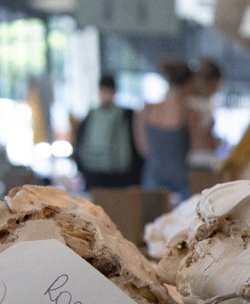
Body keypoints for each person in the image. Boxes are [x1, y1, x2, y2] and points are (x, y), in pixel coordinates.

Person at [135, 59, 194, 202]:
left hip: (153, 175)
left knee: (151, 215)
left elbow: (143, 149)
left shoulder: (147, 110)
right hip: (181, 178)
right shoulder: (188, 112)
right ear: (188, 83)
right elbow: (196, 148)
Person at [74, 75, 142, 189]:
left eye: (107, 91)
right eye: (103, 91)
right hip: (95, 172)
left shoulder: (126, 114)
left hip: (119, 174)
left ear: (113, 92)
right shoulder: (92, 115)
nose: (105, 95)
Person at [186, 58, 223, 170]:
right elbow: (201, 137)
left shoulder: (197, 103)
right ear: (213, 82)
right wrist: (220, 154)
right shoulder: (195, 105)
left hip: (198, 158)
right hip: (201, 161)